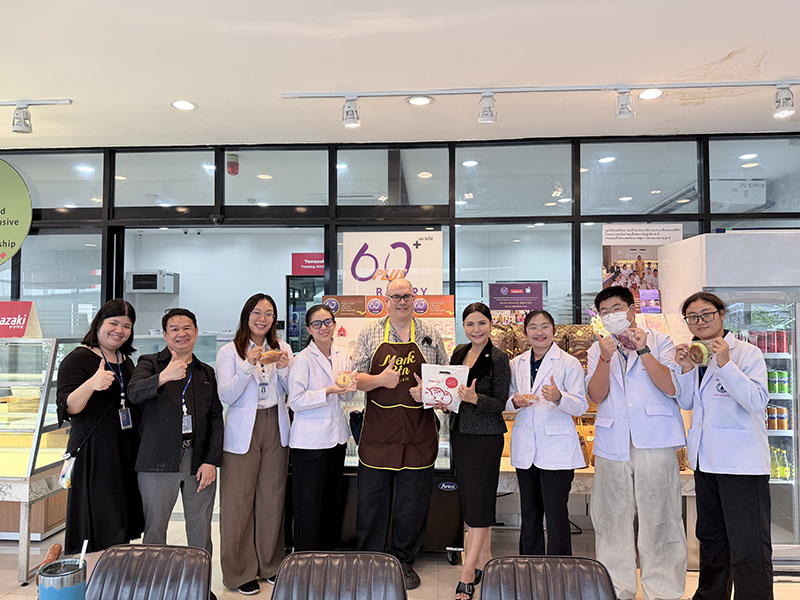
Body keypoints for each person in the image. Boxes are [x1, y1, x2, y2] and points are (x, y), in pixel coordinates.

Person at [586, 286, 687, 600]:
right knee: (611, 516)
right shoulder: (598, 348)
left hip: (654, 440)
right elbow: (597, 395)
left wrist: (645, 352)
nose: (612, 316)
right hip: (612, 440)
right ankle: (617, 587)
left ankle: (664, 590)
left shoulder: (660, 341)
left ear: (631, 310)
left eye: (617, 308)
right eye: (605, 312)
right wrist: (605, 358)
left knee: (662, 515)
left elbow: (672, 388)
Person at [673, 292, 772, 599]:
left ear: (721, 314)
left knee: (748, 545)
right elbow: (688, 401)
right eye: (692, 317)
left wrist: (726, 363)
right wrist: (686, 369)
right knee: (712, 539)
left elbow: (756, 400)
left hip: (741, 464)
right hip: (706, 462)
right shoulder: (695, 354)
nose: (700, 322)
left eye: (706, 315)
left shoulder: (746, 353)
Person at [351, 277, 448, 590]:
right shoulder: (369, 333)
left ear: (415, 297)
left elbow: (446, 384)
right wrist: (381, 380)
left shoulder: (431, 335)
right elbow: (355, 379)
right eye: (396, 296)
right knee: (371, 504)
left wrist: (428, 393)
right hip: (378, 435)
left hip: (418, 435)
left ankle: (405, 562)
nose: (402, 301)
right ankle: (369, 561)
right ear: (386, 299)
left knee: (411, 505)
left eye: (407, 296)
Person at [128, 308, 223, 561]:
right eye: (175, 329)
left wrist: (211, 460)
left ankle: (198, 584)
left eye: (187, 328)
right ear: (165, 335)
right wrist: (163, 377)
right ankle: (155, 585)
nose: (181, 334)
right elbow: (134, 393)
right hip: (158, 459)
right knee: (155, 528)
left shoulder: (205, 372)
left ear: (196, 331)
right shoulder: (148, 363)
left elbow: (215, 417)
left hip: (197, 459)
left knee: (200, 528)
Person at [215, 293, 293, 596]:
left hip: (275, 424)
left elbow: (290, 390)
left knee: (272, 499)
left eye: (269, 314)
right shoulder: (229, 352)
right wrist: (248, 366)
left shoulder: (281, 348)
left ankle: (271, 565)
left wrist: (285, 367)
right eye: (257, 312)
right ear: (246, 315)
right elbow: (227, 395)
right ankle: (237, 572)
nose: (263, 318)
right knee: (238, 503)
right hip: (243, 430)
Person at [56, 299, 144, 555]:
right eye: (113, 323)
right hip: (93, 452)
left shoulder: (126, 360)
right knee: (97, 519)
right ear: (99, 324)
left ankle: (115, 575)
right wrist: (92, 383)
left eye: (126, 326)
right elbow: (68, 406)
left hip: (125, 450)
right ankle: (95, 578)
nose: (119, 330)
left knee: (121, 517)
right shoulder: (78, 358)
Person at [506, 310, 587, 558]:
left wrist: (559, 397)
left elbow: (581, 405)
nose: (539, 333)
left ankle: (559, 565)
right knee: (529, 511)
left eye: (544, 327)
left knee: (556, 512)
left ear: (554, 331)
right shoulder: (516, 363)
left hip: (557, 449)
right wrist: (516, 401)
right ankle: (529, 563)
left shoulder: (569, 363)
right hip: (526, 446)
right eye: (533, 327)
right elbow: (506, 401)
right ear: (525, 333)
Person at [448, 303, 510, 600]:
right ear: (464, 326)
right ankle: (485, 558)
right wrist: (441, 399)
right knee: (470, 500)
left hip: (486, 438)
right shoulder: (459, 352)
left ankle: (467, 573)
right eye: (470, 324)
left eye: (481, 323)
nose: (476, 329)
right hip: (461, 434)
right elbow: (451, 389)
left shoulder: (499, 358)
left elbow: (501, 403)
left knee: (479, 503)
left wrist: (475, 398)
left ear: (490, 325)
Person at [288, 304, 357, 552]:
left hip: (336, 440)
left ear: (334, 325)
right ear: (308, 329)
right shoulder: (302, 360)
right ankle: (305, 557)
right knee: (309, 503)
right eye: (317, 324)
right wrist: (328, 391)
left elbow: (346, 398)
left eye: (327, 322)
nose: (324, 328)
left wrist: (349, 388)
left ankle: (329, 553)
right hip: (309, 443)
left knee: (331, 500)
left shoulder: (342, 355)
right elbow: (295, 401)